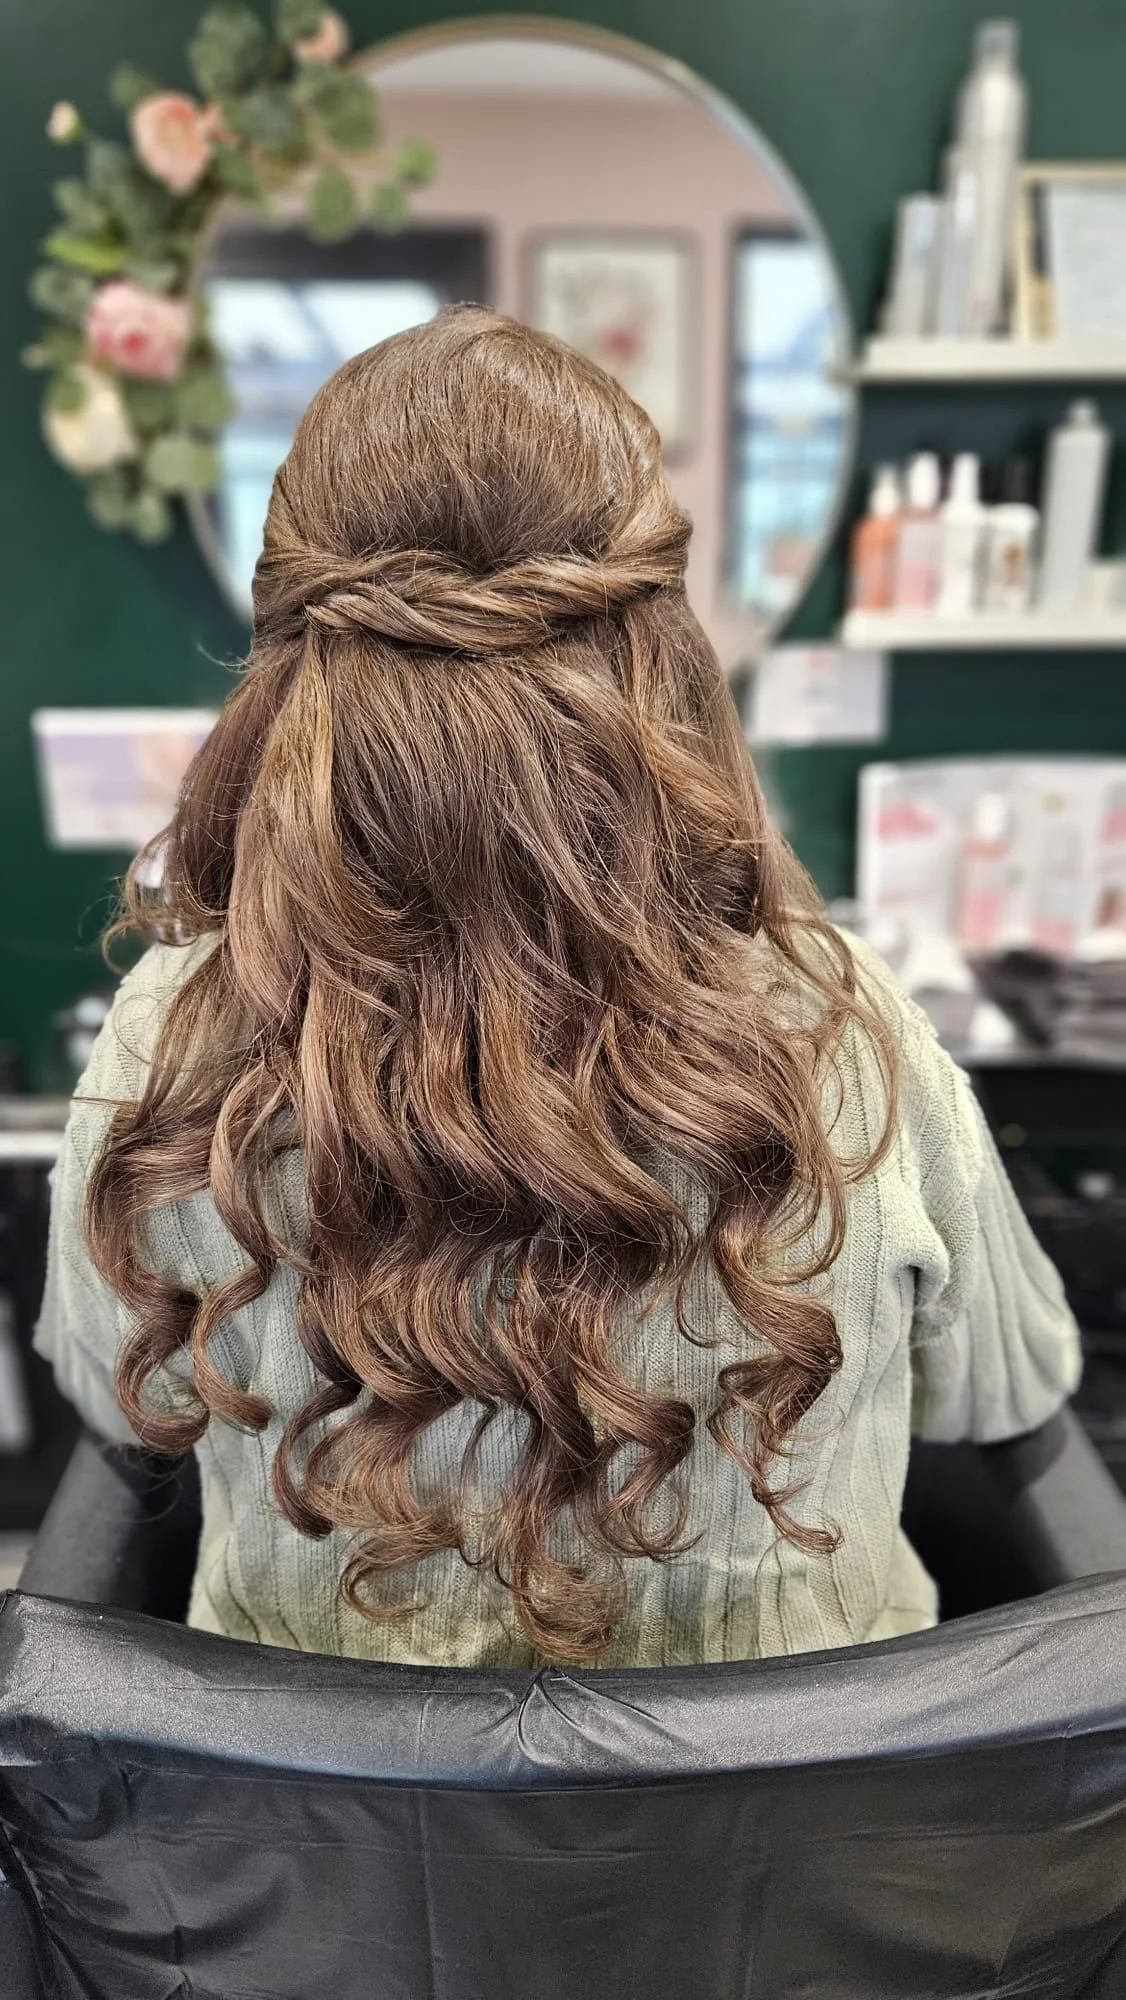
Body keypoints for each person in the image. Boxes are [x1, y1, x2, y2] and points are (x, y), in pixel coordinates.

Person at [35, 307, 1080, 1668]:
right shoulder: (841, 1038)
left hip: (315, 1870)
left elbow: (117, 1407)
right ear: (661, 649)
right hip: (799, 1861)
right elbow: (1005, 1395)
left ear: (292, 658)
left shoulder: (169, 1048)